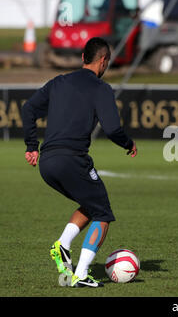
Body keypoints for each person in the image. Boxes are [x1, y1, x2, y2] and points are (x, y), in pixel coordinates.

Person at [22, 37, 137, 287]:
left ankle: (63, 244)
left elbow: (28, 109)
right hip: (72, 160)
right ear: (104, 60)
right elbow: (113, 129)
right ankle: (81, 274)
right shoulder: (101, 88)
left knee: (90, 202)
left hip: (47, 163)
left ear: (83, 57)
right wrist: (129, 144)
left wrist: (32, 146)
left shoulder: (59, 82)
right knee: (103, 214)